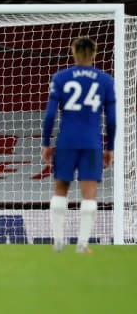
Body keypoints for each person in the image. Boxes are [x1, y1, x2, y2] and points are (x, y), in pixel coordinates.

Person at [41, 37, 116, 254]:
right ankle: (82, 245)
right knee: (89, 193)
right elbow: (111, 119)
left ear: (73, 52)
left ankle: (58, 242)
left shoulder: (61, 77)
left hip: (66, 141)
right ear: (94, 53)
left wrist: (46, 142)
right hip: (92, 142)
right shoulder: (105, 80)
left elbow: (49, 115)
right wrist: (109, 147)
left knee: (60, 189)